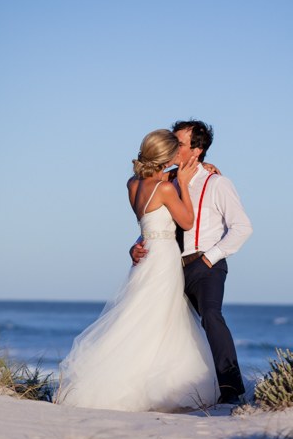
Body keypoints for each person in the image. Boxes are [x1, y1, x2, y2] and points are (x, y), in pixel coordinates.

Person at [59, 129, 218, 412]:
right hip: (163, 258)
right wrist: (182, 180)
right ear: (166, 157)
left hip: (145, 256)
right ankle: (152, 388)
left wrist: (200, 169)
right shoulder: (167, 188)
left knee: (140, 315)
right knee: (161, 318)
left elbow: (149, 216)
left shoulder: (133, 183)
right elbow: (187, 221)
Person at [132, 120, 252, 404]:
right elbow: (154, 226)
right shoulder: (166, 181)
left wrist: (211, 258)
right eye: (172, 142)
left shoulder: (218, 182)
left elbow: (242, 228)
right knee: (167, 327)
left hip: (207, 264)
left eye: (180, 144)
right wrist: (134, 247)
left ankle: (231, 389)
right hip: (170, 267)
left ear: (197, 150)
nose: (173, 148)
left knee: (211, 316)